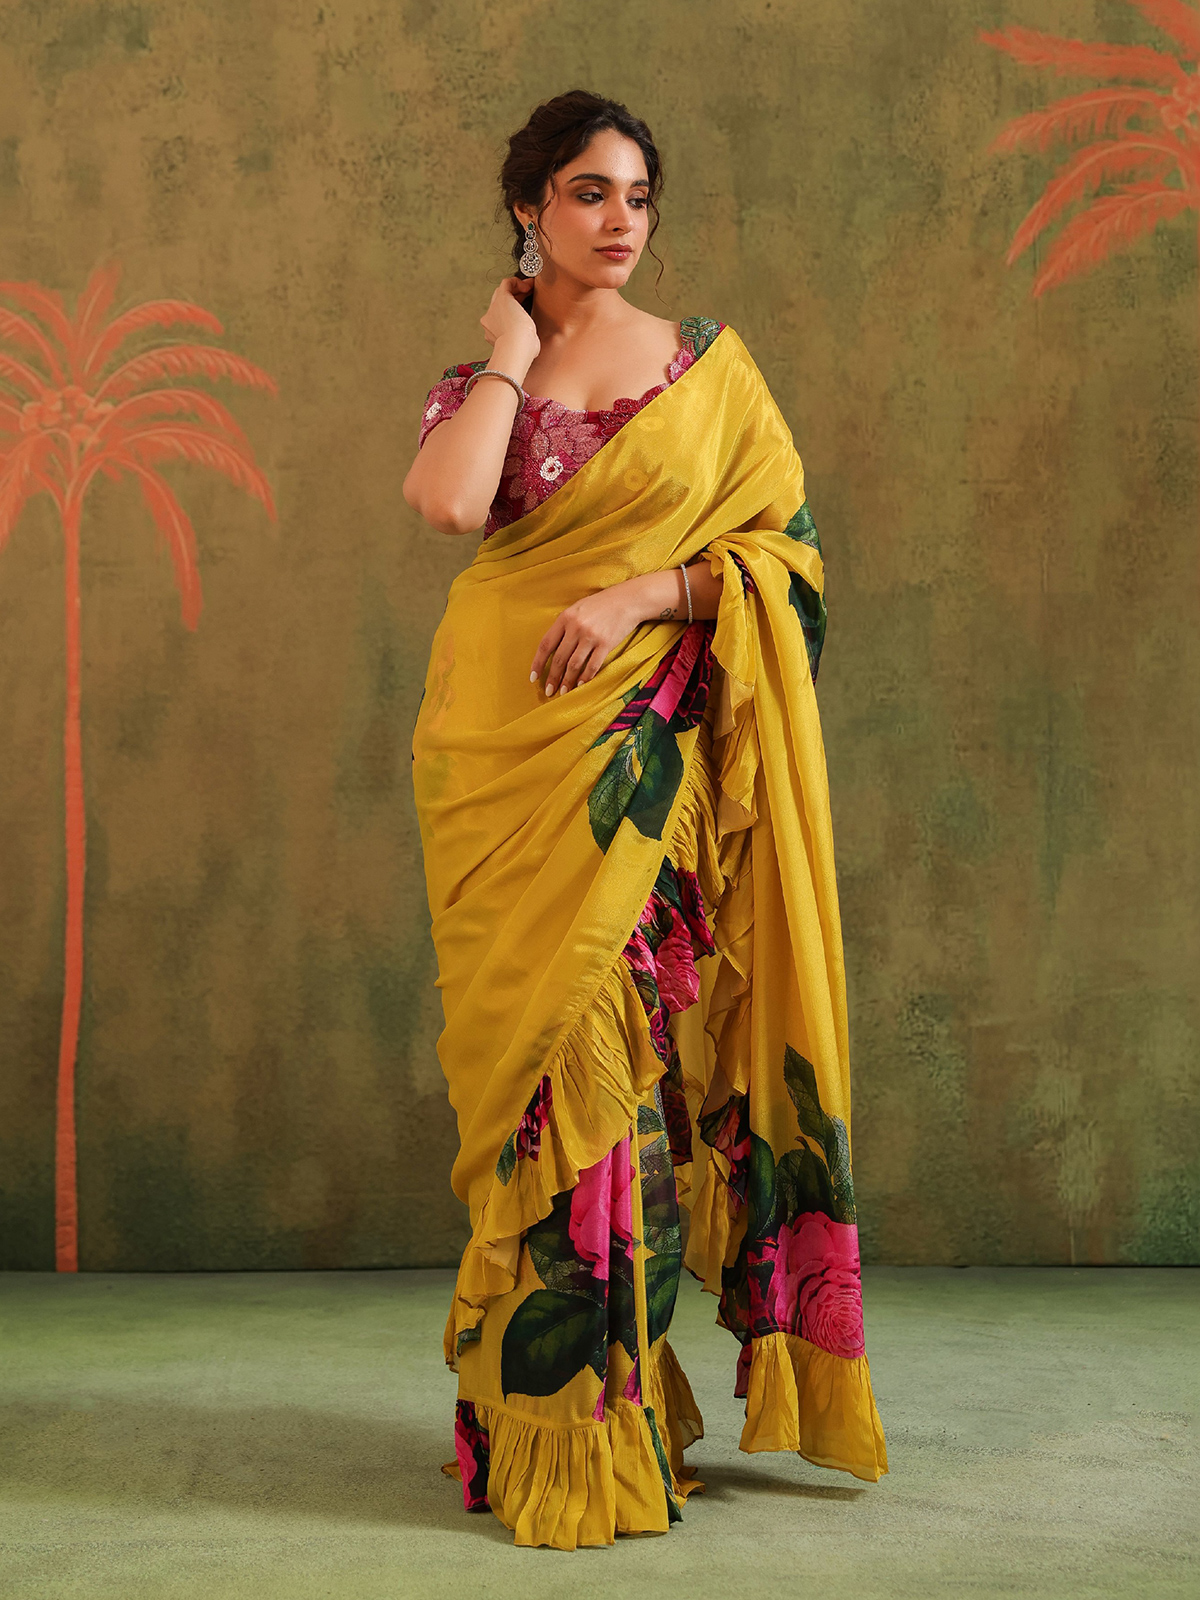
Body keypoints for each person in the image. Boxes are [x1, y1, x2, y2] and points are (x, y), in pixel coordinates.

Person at [405, 89, 887, 1551]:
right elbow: (449, 507)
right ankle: (537, 1417)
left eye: (637, 195)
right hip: (495, 761)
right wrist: (508, 353)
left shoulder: (704, 373)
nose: (620, 220)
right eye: (587, 192)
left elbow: (785, 561)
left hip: (630, 754)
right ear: (529, 209)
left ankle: (603, 1423)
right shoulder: (486, 376)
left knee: (605, 1076)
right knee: (519, 1094)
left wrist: (638, 595)